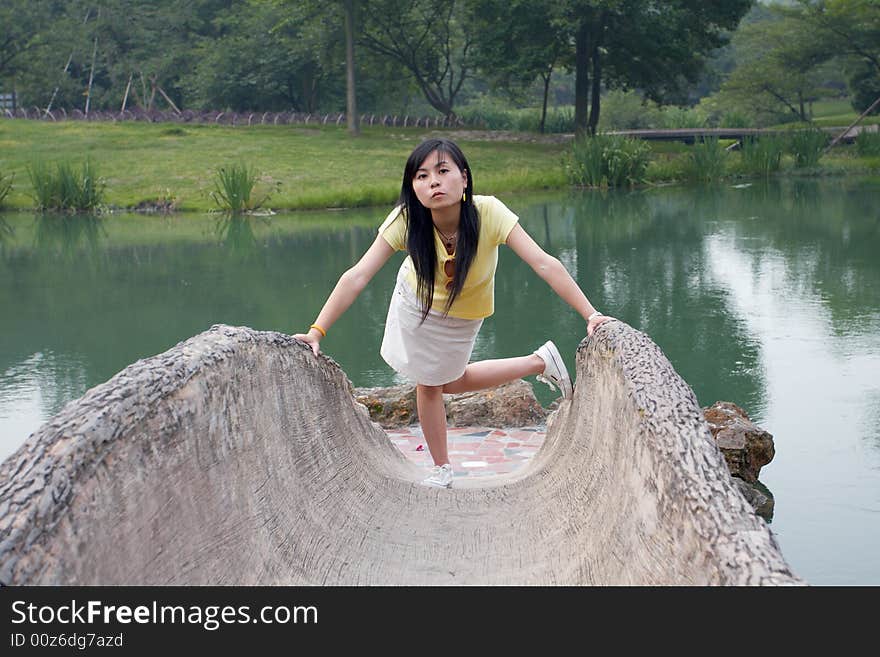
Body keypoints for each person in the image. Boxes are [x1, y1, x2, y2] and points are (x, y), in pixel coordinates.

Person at [294, 138, 611, 488]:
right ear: (412, 187)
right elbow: (357, 276)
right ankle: (442, 467)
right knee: (430, 384)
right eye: (422, 175)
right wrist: (316, 331)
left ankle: (539, 361)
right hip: (415, 306)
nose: (433, 182)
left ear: (464, 178)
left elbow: (544, 263)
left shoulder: (489, 213)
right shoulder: (406, 220)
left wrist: (590, 313)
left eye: (443, 171)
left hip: (465, 314)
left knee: (450, 381)